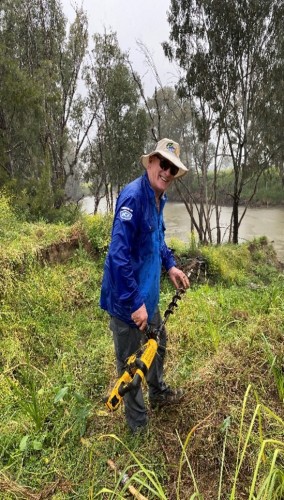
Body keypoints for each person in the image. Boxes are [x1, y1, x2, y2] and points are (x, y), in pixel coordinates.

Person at [100, 138, 190, 433]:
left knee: (158, 343)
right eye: (163, 164)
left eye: (172, 169)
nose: (167, 172)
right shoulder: (133, 197)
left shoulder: (158, 198)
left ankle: (159, 393)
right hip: (128, 303)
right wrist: (135, 303)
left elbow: (157, 240)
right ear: (150, 161)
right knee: (131, 365)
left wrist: (171, 265)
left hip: (147, 297)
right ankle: (137, 427)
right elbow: (118, 255)